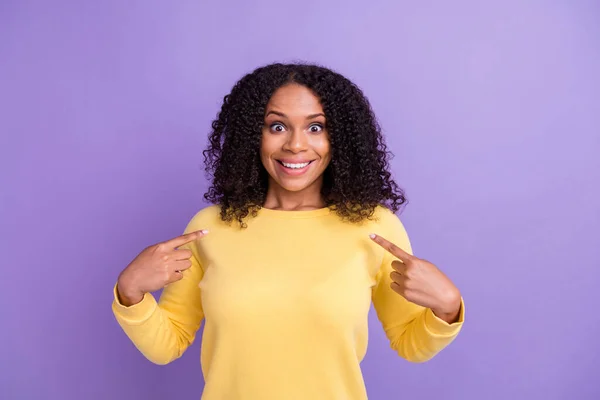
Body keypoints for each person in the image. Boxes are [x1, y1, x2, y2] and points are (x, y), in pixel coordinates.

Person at [112, 62, 465, 399]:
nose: (295, 145)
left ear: (339, 137)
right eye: (277, 126)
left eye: (316, 127)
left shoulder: (375, 228)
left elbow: (410, 342)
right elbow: (167, 344)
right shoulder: (209, 228)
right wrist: (130, 291)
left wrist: (447, 308)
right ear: (254, 135)